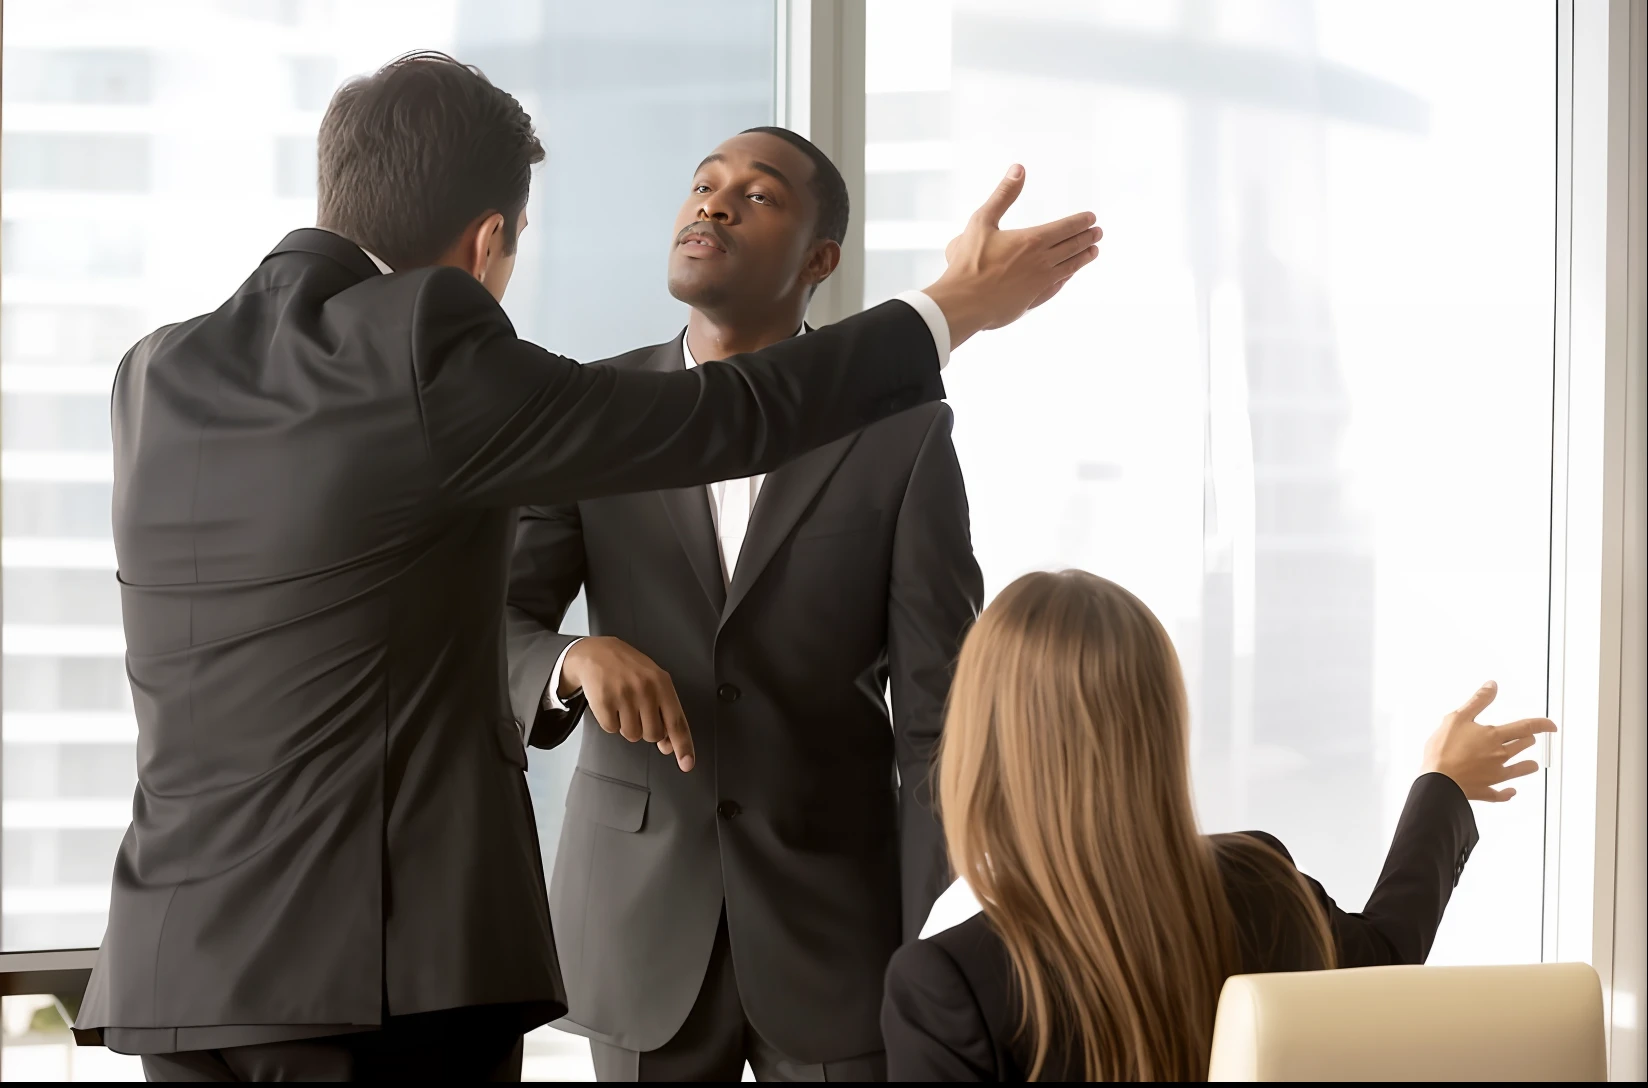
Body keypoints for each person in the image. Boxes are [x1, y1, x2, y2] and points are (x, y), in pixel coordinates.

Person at [70, 51, 1102, 1083]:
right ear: (486, 244)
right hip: (384, 978)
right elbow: (722, 419)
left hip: (178, 964)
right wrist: (948, 308)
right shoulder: (426, 342)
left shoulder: (155, 371)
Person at [506, 126, 983, 1081]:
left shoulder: (903, 437)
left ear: (820, 259)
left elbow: (942, 717)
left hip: (839, 941)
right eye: (701, 185)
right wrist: (571, 661)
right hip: (639, 933)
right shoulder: (591, 412)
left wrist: (915, 921)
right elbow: (490, 624)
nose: (712, 204)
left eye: (756, 195)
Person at [880, 570, 1556, 1082]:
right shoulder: (1259, 883)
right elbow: (1385, 959)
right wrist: (1441, 786)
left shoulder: (948, 984)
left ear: (983, 742)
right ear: (1161, 728)